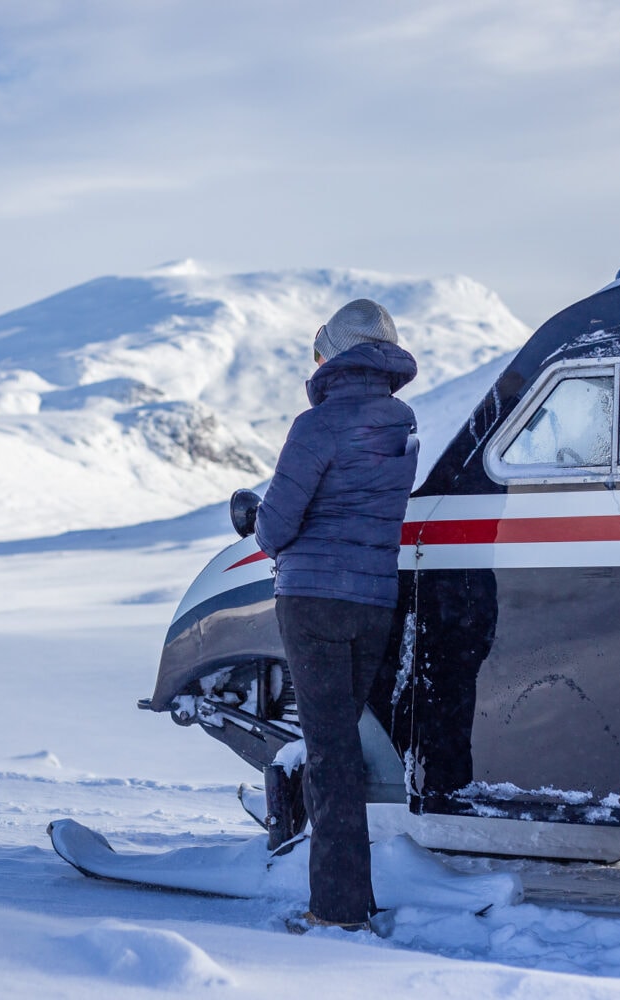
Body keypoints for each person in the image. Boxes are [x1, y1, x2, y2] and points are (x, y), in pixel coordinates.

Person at [254, 298, 418, 930]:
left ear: (335, 357)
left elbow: (275, 527)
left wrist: (261, 522)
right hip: (373, 601)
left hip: (314, 602)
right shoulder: (402, 422)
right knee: (342, 745)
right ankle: (352, 896)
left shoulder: (315, 425)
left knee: (329, 754)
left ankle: (338, 911)